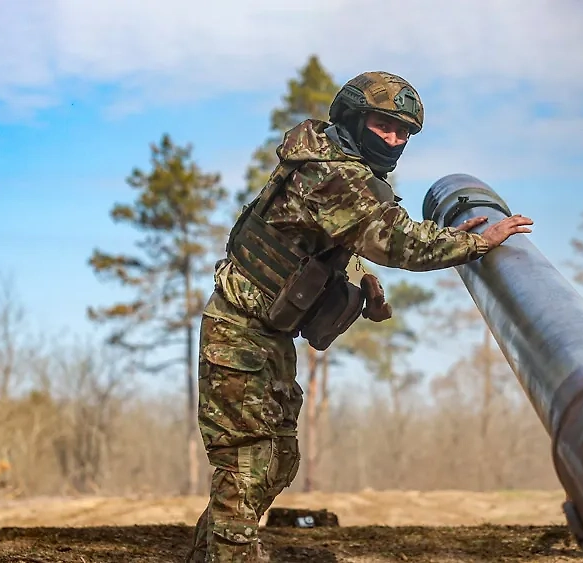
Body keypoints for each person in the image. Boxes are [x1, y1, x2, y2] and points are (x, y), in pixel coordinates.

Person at [186, 70, 534, 562]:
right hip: (239, 334)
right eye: (383, 124)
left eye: (403, 132)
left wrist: (359, 282)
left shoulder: (328, 161)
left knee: (276, 464)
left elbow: (334, 235)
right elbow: (398, 241)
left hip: (266, 338)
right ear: (352, 118)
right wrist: (477, 241)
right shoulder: (335, 174)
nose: (393, 139)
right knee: (243, 473)